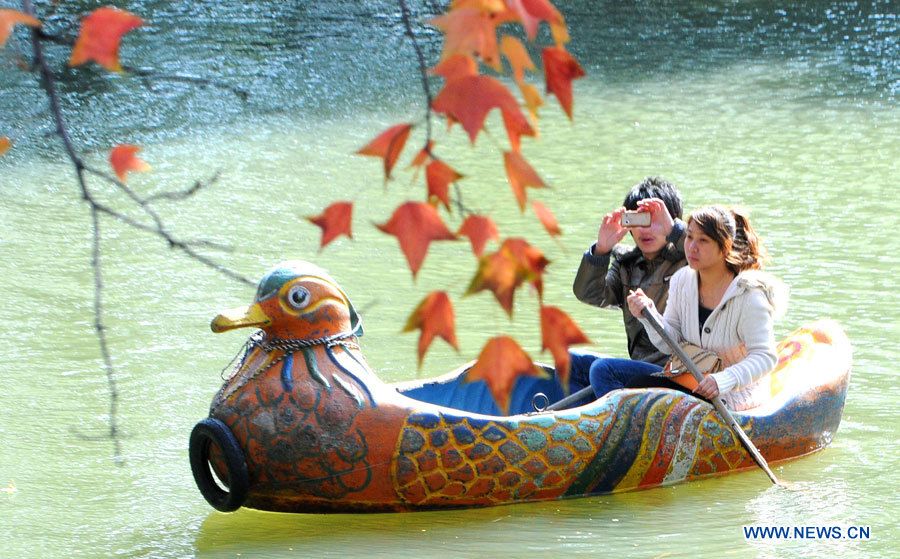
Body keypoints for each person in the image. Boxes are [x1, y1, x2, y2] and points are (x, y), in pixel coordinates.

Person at [591, 205, 788, 411]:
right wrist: (648, 316)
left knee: (639, 392)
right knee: (603, 370)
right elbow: (671, 344)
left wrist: (722, 380)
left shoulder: (750, 296)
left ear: (725, 247)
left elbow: (765, 358)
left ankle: (624, 432)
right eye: (690, 237)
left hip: (732, 394)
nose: (692, 247)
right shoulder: (682, 280)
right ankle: (622, 433)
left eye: (703, 241)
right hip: (687, 381)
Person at [568, 177, 687, 400]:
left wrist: (675, 231)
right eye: (638, 220)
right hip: (641, 369)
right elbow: (589, 294)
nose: (645, 229)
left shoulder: (691, 259)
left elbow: (716, 256)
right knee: (570, 362)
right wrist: (601, 251)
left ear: (671, 221)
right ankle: (590, 420)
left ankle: (618, 424)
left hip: (681, 372)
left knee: (602, 370)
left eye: (654, 220)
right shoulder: (626, 264)